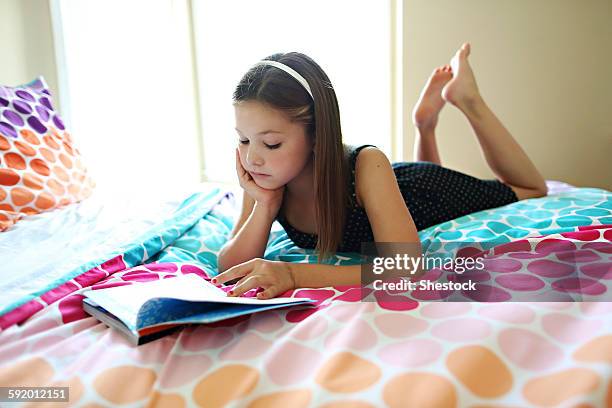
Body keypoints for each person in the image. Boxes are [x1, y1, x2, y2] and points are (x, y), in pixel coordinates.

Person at [215, 43, 547, 299]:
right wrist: (265, 206)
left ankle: (468, 100)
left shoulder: (367, 164)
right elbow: (229, 267)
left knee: (531, 188)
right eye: (243, 139)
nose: (252, 158)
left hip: (423, 191)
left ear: (317, 135)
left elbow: (406, 267)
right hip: (393, 195)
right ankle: (425, 126)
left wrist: (295, 274)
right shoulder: (267, 177)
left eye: (271, 144)